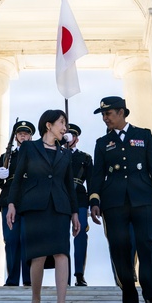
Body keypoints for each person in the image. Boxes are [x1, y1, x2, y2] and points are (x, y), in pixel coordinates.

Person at [89, 96, 152, 303]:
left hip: (143, 199)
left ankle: (151, 300)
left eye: (108, 113)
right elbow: (97, 175)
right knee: (120, 249)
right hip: (113, 203)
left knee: (146, 247)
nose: (105, 118)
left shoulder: (143, 135)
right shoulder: (102, 143)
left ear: (122, 112)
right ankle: (129, 297)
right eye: (103, 115)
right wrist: (94, 200)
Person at [6, 109, 80, 303]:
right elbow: (18, 178)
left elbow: (69, 186)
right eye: (61, 122)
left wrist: (75, 212)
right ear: (48, 125)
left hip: (59, 208)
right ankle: (35, 299)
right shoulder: (29, 147)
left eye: (65, 123)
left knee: (61, 253)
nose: (64, 127)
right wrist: (12, 204)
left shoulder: (65, 153)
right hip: (34, 206)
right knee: (37, 255)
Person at [0, 120, 35, 286]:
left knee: (27, 239)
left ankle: (28, 279)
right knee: (11, 240)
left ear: (31, 136)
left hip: (28, 200)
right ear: (16, 136)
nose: (23, 135)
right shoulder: (6, 157)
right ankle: (12, 279)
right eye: (20, 133)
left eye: (26, 133)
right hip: (8, 198)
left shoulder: (35, 154)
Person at [66, 123, 93, 287]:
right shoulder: (58, 154)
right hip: (61, 197)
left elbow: (91, 182)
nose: (69, 138)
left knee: (80, 234)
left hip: (80, 197)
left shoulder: (85, 157)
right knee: (61, 237)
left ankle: (79, 274)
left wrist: (94, 202)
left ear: (76, 139)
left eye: (72, 135)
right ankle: (64, 275)